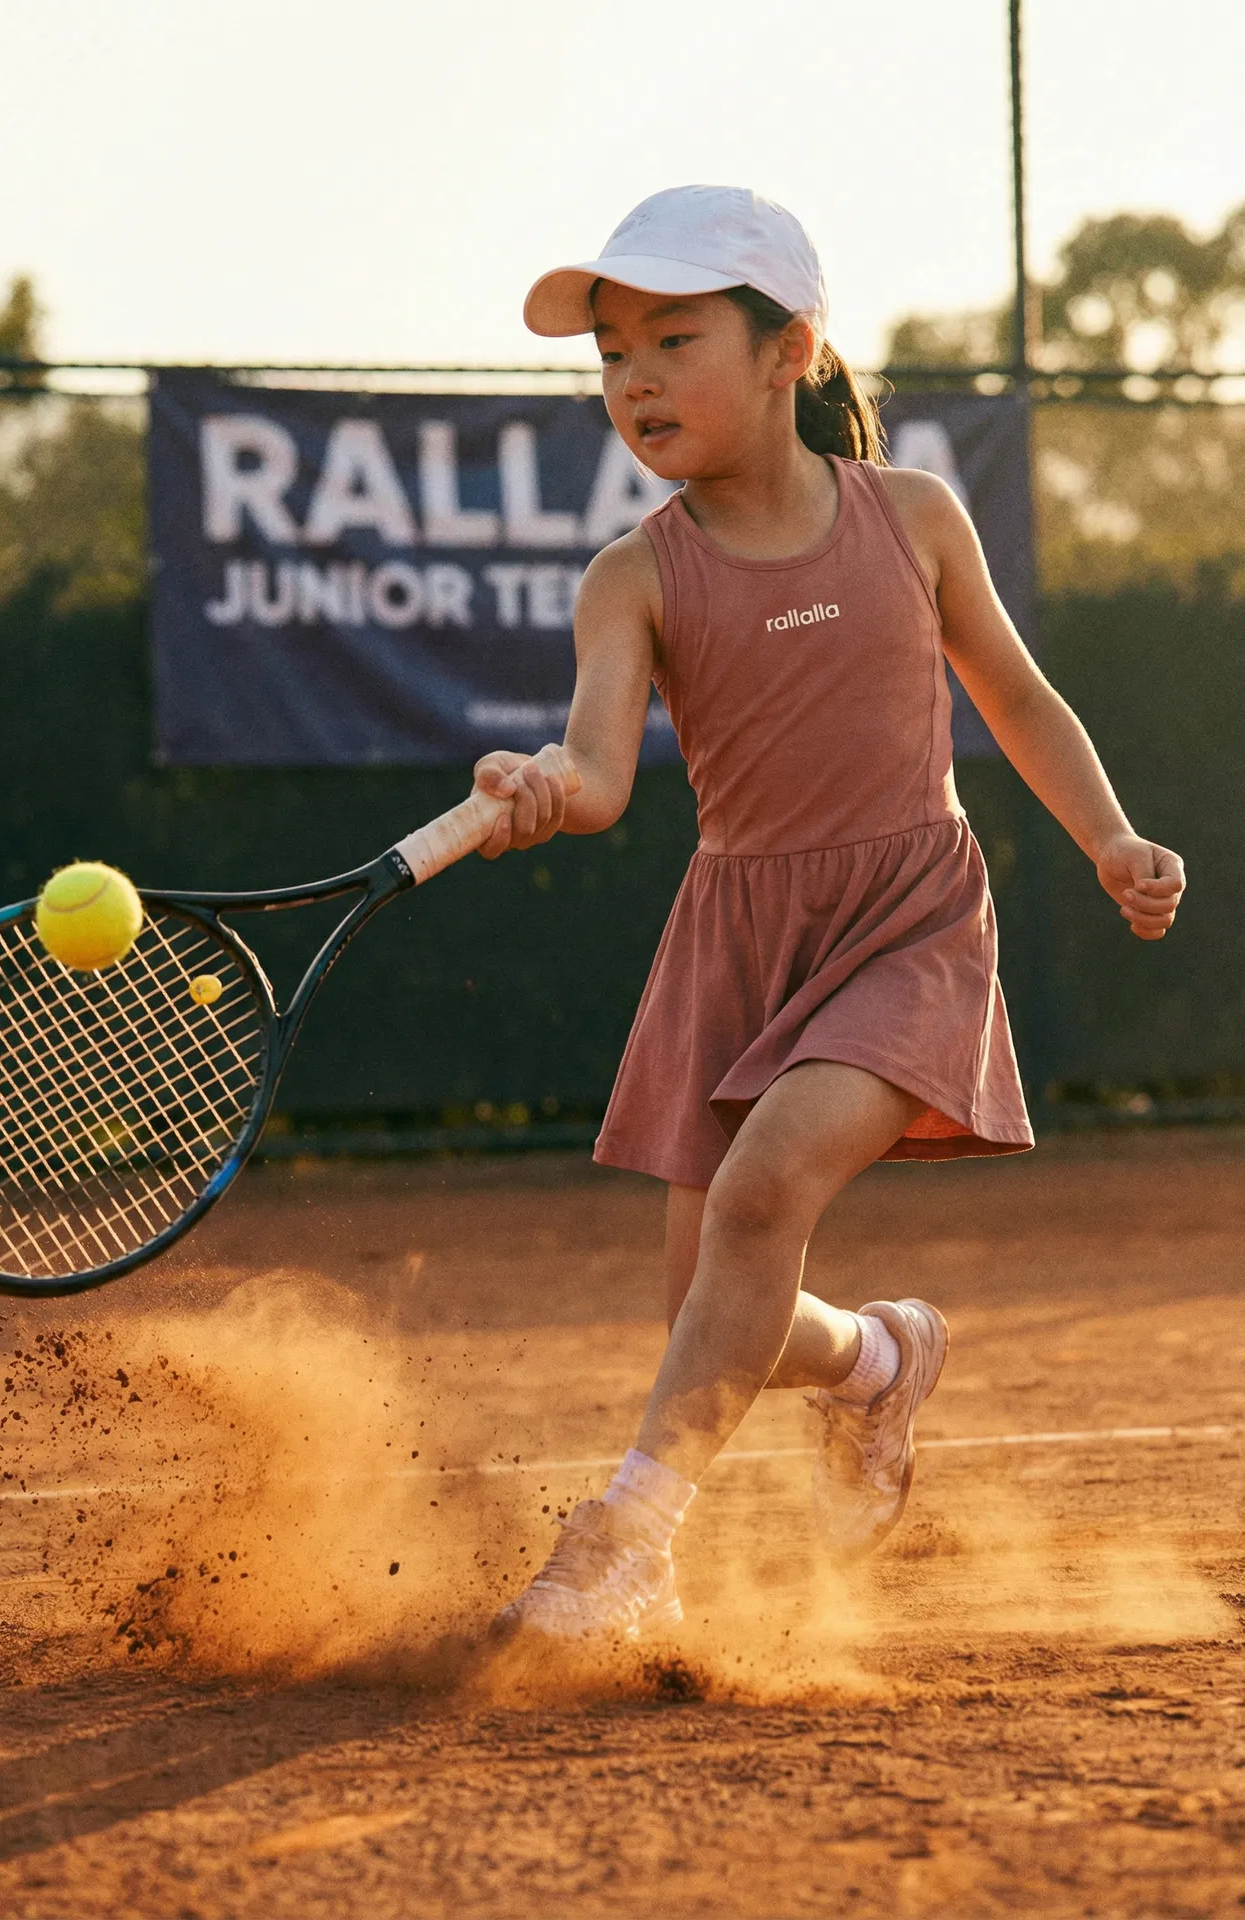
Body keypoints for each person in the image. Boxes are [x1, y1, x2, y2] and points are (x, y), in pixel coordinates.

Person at [476, 186, 1186, 1642]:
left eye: (673, 340)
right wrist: (541, 783)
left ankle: (627, 1536)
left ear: (789, 348)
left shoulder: (911, 516)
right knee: (721, 1301)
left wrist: (1107, 836)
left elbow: (1015, 696)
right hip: (735, 948)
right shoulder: (629, 579)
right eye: (612, 354)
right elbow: (600, 772)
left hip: (909, 920)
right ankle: (876, 1360)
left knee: (761, 1194)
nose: (635, 380)